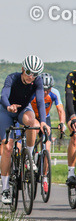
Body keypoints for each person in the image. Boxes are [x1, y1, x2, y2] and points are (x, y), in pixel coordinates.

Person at [1, 56, 49, 204]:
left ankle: (28, 154)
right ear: (23, 69)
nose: (31, 76)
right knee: (7, 148)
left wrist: (42, 121)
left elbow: (40, 101)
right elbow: (3, 95)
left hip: (23, 109)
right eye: (28, 72)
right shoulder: (12, 78)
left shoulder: (38, 81)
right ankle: (5, 189)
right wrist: (9, 106)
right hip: (6, 110)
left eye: (35, 74)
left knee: (32, 122)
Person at [30, 73, 65, 158]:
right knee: (35, 130)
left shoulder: (54, 93)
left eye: (48, 89)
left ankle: (44, 171)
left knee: (47, 146)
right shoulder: (32, 92)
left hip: (45, 117)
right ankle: (31, 155)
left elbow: (60, 110)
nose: (45, 92)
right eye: (43, 89)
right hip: (32, 117)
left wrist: (62, 123)